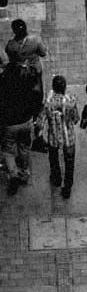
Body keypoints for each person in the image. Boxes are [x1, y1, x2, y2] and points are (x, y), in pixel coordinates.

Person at [0, 62, 43, 196]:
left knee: (8, 150)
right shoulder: (25, 85)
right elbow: (36, 99)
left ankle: (13, 174)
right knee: (24, 147)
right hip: (25, 121)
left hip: (9, 123)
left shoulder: (3, 88)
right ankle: (24, 173)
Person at [40, 75, 80, 199]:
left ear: (53, 87)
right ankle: (67, 187)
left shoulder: (48, 102)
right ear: (65, 87)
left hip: (53, 137)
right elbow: (76, 120)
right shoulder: (70, 101)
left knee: (54, 159)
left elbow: (41, 120)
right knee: (69, 163)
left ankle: (56, 179)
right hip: (69, 137)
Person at [5, 19, 48, 87]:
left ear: (14, 30)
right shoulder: (35, 40)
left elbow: (9, 56)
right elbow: (43, 53)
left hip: (17, 76)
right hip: (34, 76)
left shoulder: (10, 44)